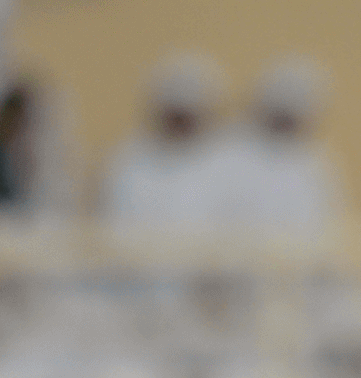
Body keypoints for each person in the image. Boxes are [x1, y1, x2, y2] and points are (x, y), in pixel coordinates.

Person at [101, 53, 233, 236]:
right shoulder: (127, 163)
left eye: (187, 116)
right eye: (175, 115)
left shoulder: (230, 165)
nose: (180, 123)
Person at [222, 56, 342, 245]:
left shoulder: (314, 162)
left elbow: (327, 227)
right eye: (281, 113)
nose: (286, 122)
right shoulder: (229, 153)